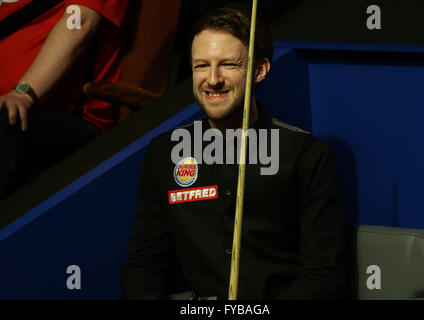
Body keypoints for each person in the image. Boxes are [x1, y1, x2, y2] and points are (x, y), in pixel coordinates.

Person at [121, 4, 347, 300]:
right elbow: (144, 264)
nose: (212, 79)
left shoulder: (306, 154)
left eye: (228, 64)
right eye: (201, 65)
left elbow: (324, 276)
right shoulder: (165, 153)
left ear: (259, 70)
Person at [0, 0, 130, 200]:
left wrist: (22, 92)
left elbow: (79, 25)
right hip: (13, 107)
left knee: (7, 122)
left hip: (69, 116)